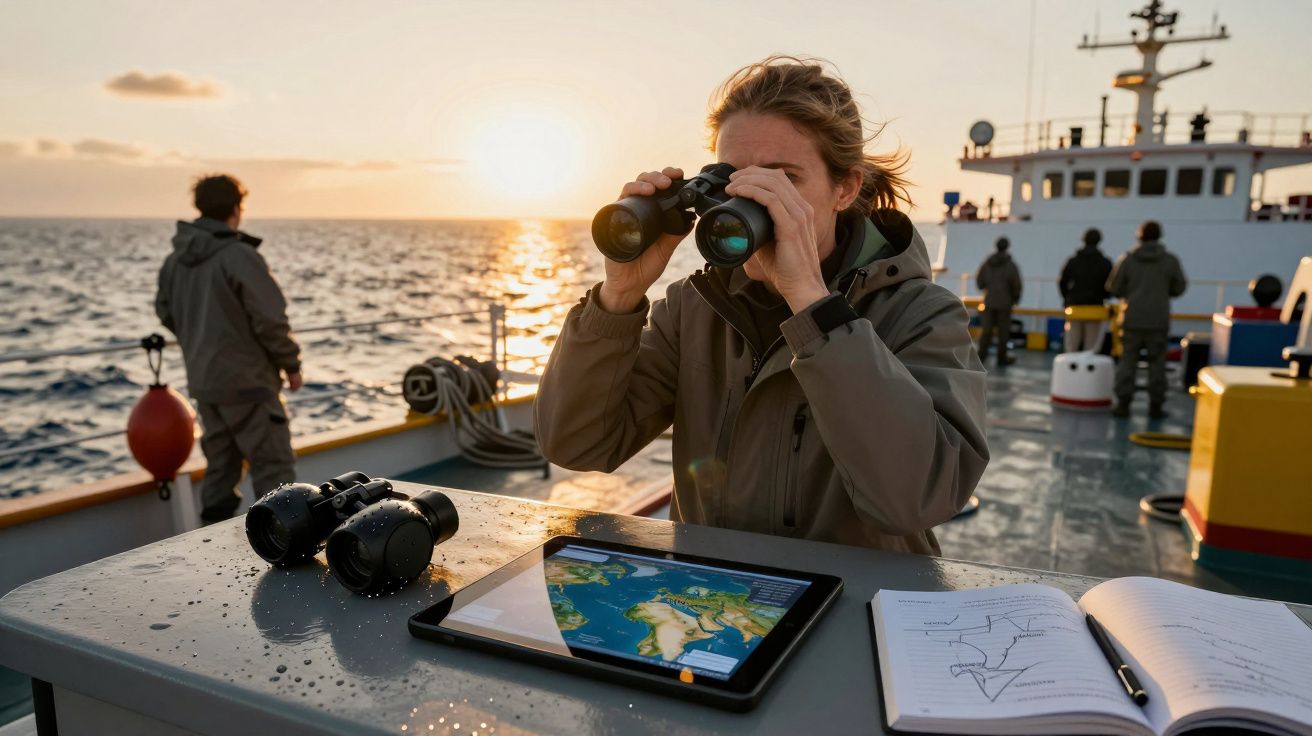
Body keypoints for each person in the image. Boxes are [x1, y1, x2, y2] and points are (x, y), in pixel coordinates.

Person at [535, 57, 989, 555]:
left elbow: (917, 500)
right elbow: (577, 444)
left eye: (783, 179)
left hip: (859, 608)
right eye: (737, 180)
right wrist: (617, 297)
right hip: (714, 603)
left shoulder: (921, 313)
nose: (757, 199)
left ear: (846, 188)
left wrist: (815, 309)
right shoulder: (695, 308)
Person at [155, 174, 302, 523]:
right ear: (237, 208)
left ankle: (210, 545)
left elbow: (164, 310)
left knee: (221, 469)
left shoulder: (174, 262)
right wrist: (291, 364)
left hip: (206, 385)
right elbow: (270, 318)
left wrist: (200, 338)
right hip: (249, 384)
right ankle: (285, 553)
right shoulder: (238, 255)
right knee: (273, 470)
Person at [1107, 220, 1187, 418]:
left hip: (1132, 318)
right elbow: (1179, 287)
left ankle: (1123, 404)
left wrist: (1131, 293)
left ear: (1139, 236)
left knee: (1127, 362)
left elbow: (1113, 287)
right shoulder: (1170, 261)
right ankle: (1155, 406)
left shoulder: (1127, 260)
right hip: (1158, 320)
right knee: (1157, 364)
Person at [1058, 228, 1113, 353]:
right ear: (1099, 241)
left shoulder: (1073, 261)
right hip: (1095, 308)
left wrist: (1067, 297)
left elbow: (1063, 282)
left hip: (1074, 308)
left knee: (1071, 346)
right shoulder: (1105, 263)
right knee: (1091, 349)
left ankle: (1069, 370)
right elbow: (1111, 285)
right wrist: (1104, 296)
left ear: (1083, 240)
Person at [975, 237, 1022, 366]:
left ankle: (981, 357)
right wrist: (1015, 299)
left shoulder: (987, 264)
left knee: (987, 331)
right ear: (1007, 247)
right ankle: (1002, 358)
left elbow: (980, 282)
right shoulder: (1010, 265)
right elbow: (1016, 284)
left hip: (989, 302)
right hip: (1005, 304)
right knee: (1003, 332)